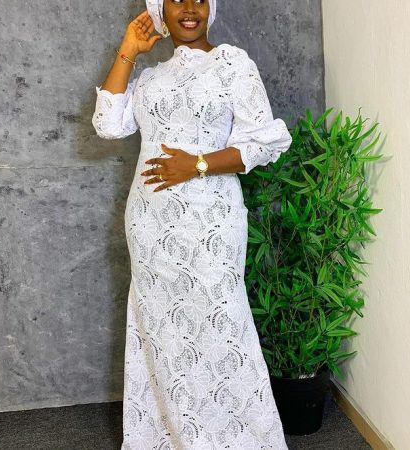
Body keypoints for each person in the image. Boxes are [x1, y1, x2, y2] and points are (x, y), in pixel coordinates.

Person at [92, 1, 292, 448]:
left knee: (221, 327)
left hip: (211, 221)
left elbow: (264, 144)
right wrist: (129, 49)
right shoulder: (150, 79)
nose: (188, 8)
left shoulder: (232, 64)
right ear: (158, 9)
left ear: (210, 8)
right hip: (149, 226)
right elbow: (108, 124)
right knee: (162, 333)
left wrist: (196, 164)